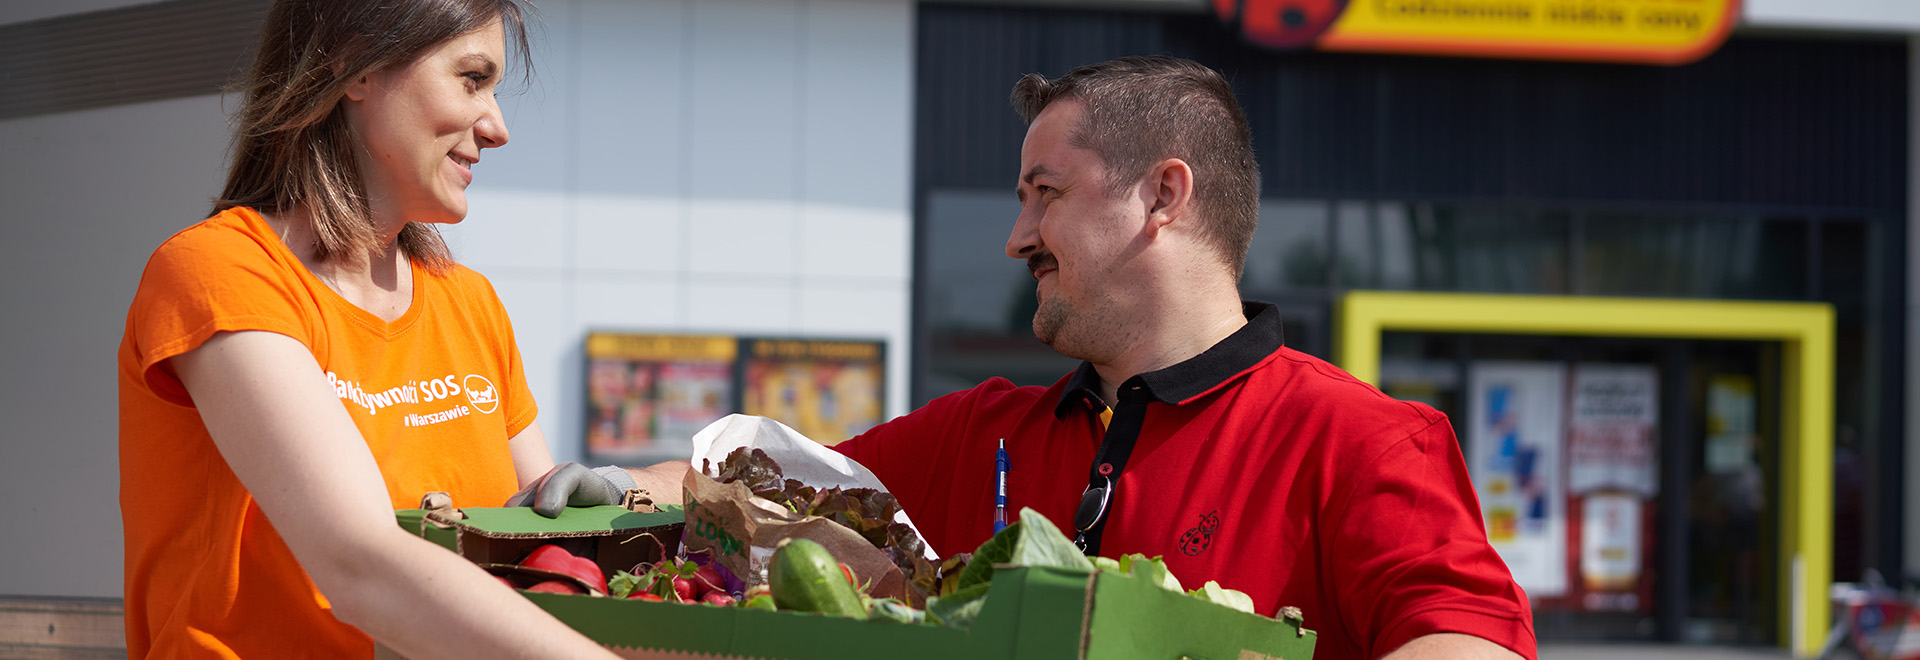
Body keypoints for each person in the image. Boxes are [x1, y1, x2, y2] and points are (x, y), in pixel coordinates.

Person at [619, 55, 1535, 660]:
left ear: (1163, 194)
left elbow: (1468, 642)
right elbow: (771, 483)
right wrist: (623, 490)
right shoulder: (978, 430)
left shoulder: (1362, 440)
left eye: (1043, 193)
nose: (1018, 238)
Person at [117, 1, 649, 657]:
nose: (498, 126)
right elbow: (357, 564)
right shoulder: (221, 274)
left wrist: (600, 512)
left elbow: (541, 566)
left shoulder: (469, 301)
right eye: (472, 78)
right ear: (354, 66)